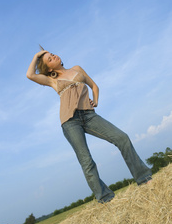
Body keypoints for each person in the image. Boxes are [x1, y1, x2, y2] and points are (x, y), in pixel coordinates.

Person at [26, 46, 152, 203]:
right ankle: (106, 199)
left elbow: (94, 86)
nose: (53, 57)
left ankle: (144, 178)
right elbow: (30, 75)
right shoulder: (51, 81)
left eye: (52, 54)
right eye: (49, 59)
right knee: (87, 161)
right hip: (70, 122)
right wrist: (38, 55)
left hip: (89, 115)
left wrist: (96, 101)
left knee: (122, 138)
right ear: (48, 67)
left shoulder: (77, 69)